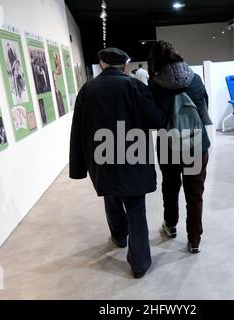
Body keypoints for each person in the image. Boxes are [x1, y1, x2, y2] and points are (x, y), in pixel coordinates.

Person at [69, 48, 167, 279]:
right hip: (133, 157)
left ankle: (119, 236)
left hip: (101, 159)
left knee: (111, 197)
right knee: (136, 208)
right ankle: (140, 262)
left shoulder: (87, 90)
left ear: (101, 65)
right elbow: (156, 120)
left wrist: (78, 167)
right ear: (125, 66)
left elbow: (77, 132)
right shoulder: (136, 87)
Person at [148, 40, 212, 254]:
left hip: (169, 145)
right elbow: (204, 113)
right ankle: (194, 240)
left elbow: (155, 119)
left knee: (170, 185)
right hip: (196, 143)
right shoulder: (195, 79)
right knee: (195, 192)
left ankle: (171, 225)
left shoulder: (155, 84)